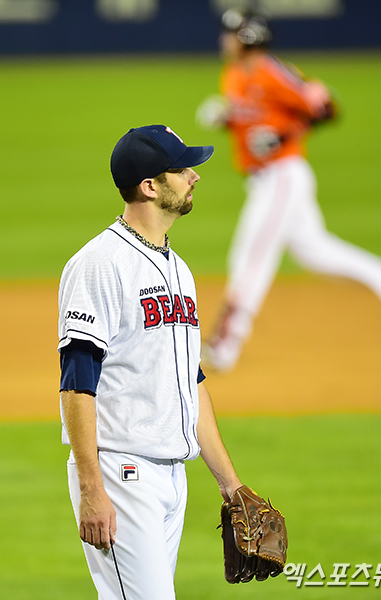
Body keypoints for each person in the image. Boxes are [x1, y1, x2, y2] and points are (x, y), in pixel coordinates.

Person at [58, 125, 244, 599]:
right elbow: (77, 382)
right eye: (182, 169)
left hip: (171, 477)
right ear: (149, 186)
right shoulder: (99, 263)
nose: (193, 177)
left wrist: (231, 484)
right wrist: (91, 488)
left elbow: (190, 380)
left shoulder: (177, 269)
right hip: (122, 473)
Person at [197, 9, 381, 373]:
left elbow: (326, 107)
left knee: (250, 258)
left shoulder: (273, 72)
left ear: (249, 37)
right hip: (266, 177)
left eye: (231, 33)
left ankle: (225, 346)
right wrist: (227, 118)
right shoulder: (235, 75)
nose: (224, 39)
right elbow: (255, 120)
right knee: (316, 252)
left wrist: (285, 136)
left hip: (282, 177)